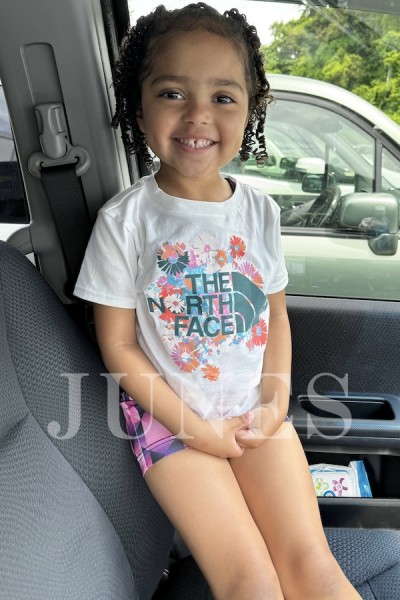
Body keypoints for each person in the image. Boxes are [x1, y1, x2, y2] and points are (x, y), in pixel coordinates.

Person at [74, 3, 362, 599]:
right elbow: (118, 345)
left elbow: (274, 315)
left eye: (223, 97)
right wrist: (198, 431)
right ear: (139, 108)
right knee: (249, 580)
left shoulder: (259, 211)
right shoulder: (127, 220)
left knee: (313, 566)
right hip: (170, 422)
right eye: (172, 93)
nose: (198, 114)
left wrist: (275, 400)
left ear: (250, 110)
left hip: (254, 411)